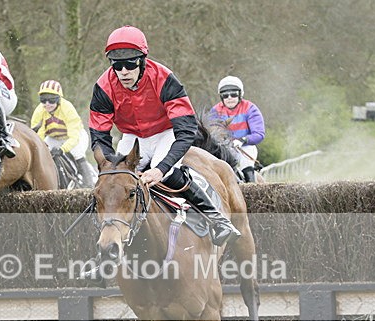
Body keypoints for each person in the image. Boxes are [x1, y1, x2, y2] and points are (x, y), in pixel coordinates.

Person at [89, 25, 239, 246]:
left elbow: (187, 131)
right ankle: (103, 254)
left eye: (130, 63)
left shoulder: (164, 78)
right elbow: (99, 135)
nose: (123, 71)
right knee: (113, 184)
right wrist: (110, 167)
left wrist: (161, 169)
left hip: (165, 132)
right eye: (116, 65)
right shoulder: (103, 86)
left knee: (165, 170)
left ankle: (218, 220)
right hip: (132, 136)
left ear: (142, 59)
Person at [31, 80, 97, 186]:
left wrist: (62, 149)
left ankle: (88, 184)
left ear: (58, 99)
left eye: (52, 100)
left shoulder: (67, 108)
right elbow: (38, 135)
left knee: (77, 153)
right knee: (39, 153)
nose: (47, 104)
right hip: (53, 138)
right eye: (43, 100)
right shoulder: (39, 111)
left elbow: (74, 137)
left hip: (75, 136)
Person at [208, 76, 265, 183]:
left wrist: (243, 140)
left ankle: (251, 187)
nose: (229, 97)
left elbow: (259, 134)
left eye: (233, 94)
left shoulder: (250, 108)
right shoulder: (215, 110)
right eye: (225, 95)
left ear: (240, 95)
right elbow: (211, 131)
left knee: (245, 163)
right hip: (223, 148)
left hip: (245, 147)